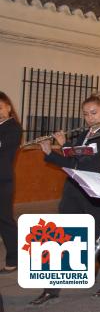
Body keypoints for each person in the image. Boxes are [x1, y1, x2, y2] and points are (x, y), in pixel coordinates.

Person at [30, 94, 100, 305]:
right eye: (86, 114)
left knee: (99, 237)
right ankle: (51, 288)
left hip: (94, 194)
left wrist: (65, 144)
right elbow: (72, 163)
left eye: (94, 113)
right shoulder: (84, 134)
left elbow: (84, 159)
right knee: (59, 237)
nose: (89, 118)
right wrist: (48, 152)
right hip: (72, 191)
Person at [0, 92, 21, 274]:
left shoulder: (13, 127)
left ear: (8, 107)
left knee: (4, 219)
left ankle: (14, 258)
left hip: (3, 180)